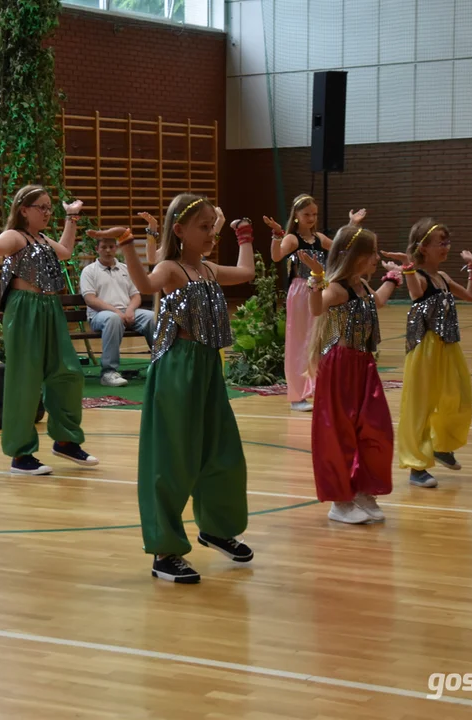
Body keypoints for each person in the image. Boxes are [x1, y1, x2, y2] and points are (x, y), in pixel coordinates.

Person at [113, 193, 255, 584]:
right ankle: (165, 551)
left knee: (220, 452)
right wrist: (128, 243)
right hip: (178, 367)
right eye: (204, 227)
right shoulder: (172, 269)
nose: (211, 233)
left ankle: (216, 527)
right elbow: (144, 282)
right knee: (173, 459)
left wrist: (245, 236)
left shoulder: (207, 269)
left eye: (213, 226)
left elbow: (246, 273)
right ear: (179, 230)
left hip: (208, 366)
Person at [0, 186, 99, 475]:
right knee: (25, 380)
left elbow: (65, 252)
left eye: (50, 207)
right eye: (42, 207)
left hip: (51, 309)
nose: (48, 212)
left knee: (68, 373)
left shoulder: (42, 239)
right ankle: (21, 454)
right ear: (24, 209)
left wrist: (71, 218)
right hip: (25, 310)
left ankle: (65, 440)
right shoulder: (16, 236)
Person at [302, 224, 401, 525]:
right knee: (339, 431)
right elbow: (317, 309)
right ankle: (340, 501)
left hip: (364, 365)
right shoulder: (337, 288)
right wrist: (316, 279)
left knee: (374, 428)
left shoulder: (362, 286)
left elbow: (379, 301)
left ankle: (363, 489)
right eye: (370, 253)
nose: (375, 257)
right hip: (341, 366)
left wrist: (395, 277)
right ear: (354, 256)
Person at [382, 219, 472, 488]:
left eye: (447, 242)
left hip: (449, 346)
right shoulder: (420, 278)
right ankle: (417, 466)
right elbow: (414, 293)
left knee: (459, 398)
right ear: (423, 247)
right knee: (420, 406)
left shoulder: (444, 278)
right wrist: (408, 267)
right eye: (440, 242)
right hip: (425, 348)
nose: (446, 247)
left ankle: (441, 446)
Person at [265, 195, 365, 411]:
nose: (311, 218)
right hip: (301, 291)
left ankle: (320, 389)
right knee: (300, 341)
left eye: (314, 214)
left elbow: (341, 247)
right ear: (297, 216)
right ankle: (297, 395)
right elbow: (275, 257)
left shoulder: (319, 238)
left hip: (321, 290)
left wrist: (351, 225)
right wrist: (276, 235)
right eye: (306, 214)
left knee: (322, 340)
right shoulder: (292, 239)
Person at [79, 229, 155, 387]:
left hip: (127, 312)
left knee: (151, 317)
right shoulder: (89, 271)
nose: (108, 250)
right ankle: (108, 372)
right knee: (113, 319)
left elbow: (136, 295)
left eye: (111, 247)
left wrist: (129, 310)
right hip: (100, 315)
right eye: (104, 247)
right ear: (97, 249)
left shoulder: (125, 269)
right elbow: (90, 299)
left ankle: (160, 364)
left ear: (116, 248)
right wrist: (117, 312)